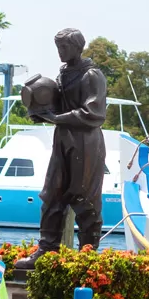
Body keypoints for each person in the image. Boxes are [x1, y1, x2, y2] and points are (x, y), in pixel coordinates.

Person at [33, 26, 108, 251]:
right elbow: (58, 107)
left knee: (84, 197)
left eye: (64, 47)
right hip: (63, 139)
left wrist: (56, 118)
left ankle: (87, 253)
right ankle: (47, 249)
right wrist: (42, 112)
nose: (60, 51)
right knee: (52, 194)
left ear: (77, 47)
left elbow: (94, 113)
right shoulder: (63, 74)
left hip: (85, 143)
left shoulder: (92, 75)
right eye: (58, 47)